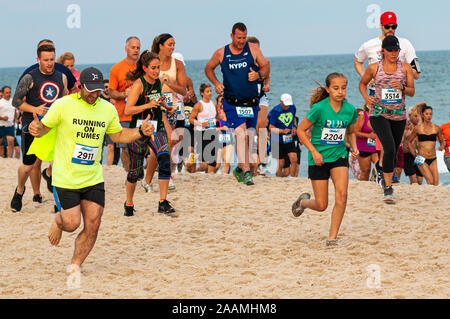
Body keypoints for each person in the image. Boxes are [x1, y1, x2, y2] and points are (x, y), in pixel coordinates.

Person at [27, 67, 155, 276]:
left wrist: (140, 131)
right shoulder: (63, 105)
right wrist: (36, 129)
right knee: (71, 223)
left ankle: (76, 264)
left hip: (93, 177)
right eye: (90, 90)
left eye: (98, 90)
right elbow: (44, 129)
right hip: (66, 177)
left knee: (93, 224)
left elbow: (118, 135)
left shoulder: (107, 109)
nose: (94, 94)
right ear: (80, 87)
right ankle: (58, 221)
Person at [292, 73, 358, 247]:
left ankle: (332, 238)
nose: (340, 92)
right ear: (328, 89)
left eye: (343, 88)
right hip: (319, 158)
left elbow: (350, 131)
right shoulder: (319, 108)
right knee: (322, 205)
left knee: (342, 195)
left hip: (339, 156)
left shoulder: (350, 110)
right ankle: (303, 202)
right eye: (336, 88)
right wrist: (314, 152)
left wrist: (355, 147)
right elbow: (301, 131)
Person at [205, 22, 270, 185]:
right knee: (240, 135)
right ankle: (246, 172)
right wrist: (216, 83)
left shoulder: (253, 49)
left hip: (251, 103)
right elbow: (208, 68)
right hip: (232, 102)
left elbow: (266, 65)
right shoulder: (221, 53)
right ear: (232, 36)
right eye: (239, 38)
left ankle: (241, 169)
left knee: (248, 136)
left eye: (244, 38)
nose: (241, 41)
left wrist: (259, 75)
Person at [10, 44, 68, 212]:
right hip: (32, 125)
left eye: (52, 59)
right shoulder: (30, 77)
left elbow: (64, 99)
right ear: (38, 60)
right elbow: (16, 101)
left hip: (53, 126)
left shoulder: (61, 77)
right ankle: (20, 190)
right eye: (46, 60)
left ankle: (58, 202)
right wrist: (35, 109)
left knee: (58, 164)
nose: (50, 63)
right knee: (28, 166)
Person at [359, 35, 415, 203]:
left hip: (398, 115)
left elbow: (412, 91)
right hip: (378, 113)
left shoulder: (405, 67)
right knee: (389, 147)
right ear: (383, 50)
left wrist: (403, 88)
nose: (393, 53)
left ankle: (382, 173)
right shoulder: (374, 68)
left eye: (396, 50)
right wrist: (366, 98)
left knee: (394, 149)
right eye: (390, 50)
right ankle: (388, 188)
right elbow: (362, 84)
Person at [123, 51, 176, 216]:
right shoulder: (138, 85)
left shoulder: (159, 83)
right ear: (145, 68)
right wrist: (147, 105)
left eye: (158, 67)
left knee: (165, 159)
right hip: (138, 129)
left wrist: (168, 108)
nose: (156, 71)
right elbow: (128, 109)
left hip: (156, 127)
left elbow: (159, 102)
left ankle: (163, 202)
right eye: (153, 68)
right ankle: (129, 203)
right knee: (134, 171)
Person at [151, 35, 187, 189]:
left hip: (173, 106)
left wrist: (169, 83)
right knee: (168, 139)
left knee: (173, 140)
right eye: (169, 44)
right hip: (156, 106)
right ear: (160, 46)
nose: (172, 47)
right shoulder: (152, 62)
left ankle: (160, 170)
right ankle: (166, 174)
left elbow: (183, 90)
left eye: (174, 44)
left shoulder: (177, 64)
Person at [109, 36, 141, 173]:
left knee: (141, 148)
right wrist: (124, 94)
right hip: (123, 115)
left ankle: (139, 173)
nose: (136, 50)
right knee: (126, 148)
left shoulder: (144, 68)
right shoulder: (117, 68)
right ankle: (130, 176)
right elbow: (111, 92)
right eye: (133, 47)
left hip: (141, 113)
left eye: (138, 48)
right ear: (126, 49)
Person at [407, 104, 445, 185]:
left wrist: (441, 146)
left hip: (433, 158)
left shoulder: (436, 128)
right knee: (430, 181)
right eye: (427, 114)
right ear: (422, 115)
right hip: (421, 158)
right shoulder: (418, 128)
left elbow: (442, 141)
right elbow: (409, 141)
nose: (429, 116)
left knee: (435, 183)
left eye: (430, 114)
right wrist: (413, 153)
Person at [247, 36, 271, 170]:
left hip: (261, 97)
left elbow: (267, 76)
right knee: (249, 131)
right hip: (246, 99)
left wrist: (267, 84)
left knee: (261, 126)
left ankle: (262, 157)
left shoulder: (265, 62)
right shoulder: (243, 62)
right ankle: (252, 161)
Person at [189, 83, 218, 173]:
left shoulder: (214, 104)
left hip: (212, 133)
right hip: (202, 133)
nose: (210, 93)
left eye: (210, 91)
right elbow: (191, 119)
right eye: (207, 91)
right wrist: (201, 124)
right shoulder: (198, 105)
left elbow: (216, 117)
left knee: (213, 162)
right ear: (202, 93)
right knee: (204, 165)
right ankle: (193, 172)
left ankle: (209, 180)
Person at [269, 93, 298, 177]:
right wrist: (282, 131)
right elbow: (271, 127)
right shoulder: (275, 111)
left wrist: (294, 127)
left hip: (288, 138)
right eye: (285, 105)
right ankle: (278, 179)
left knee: (294, 159)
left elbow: (294, 119)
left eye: (288, 105)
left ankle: (293, 179)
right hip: (276, 139)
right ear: (281, 102)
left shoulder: (292, 107)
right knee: (280, 163)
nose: (287, 107)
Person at [355, 104, 379, 181]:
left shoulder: (379, 115)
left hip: (376, 146)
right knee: (366, 170)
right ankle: (363, 186)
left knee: (378, 167)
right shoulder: (363, 115)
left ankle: (376, 182)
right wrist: (369, 135)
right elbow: (356, 132)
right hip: (363, 146)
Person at [402, 105, 423, 184]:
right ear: (410, 116)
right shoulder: (406, 126)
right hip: (408, 155)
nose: (417, 118)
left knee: (420, 180)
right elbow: (401, 140)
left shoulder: (421, 127)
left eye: (418, 116)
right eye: (415, 116)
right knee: (414, 179)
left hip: (419, 155)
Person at [100, 79, 119, 166]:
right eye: (105, 87)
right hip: (100, 125)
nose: (107, 88)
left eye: (108, 87)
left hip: (111, 125)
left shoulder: (114, 99)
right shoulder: (99, 98)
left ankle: (109, 167)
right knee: (100, 148)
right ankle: (99, 164)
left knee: (111, 147)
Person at [215, 94, 234, 174]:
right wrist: (222, 128)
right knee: (217, 165)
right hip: (218, 140)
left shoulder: (229, 112)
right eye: (220, 101)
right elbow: (212, 128)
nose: (222, 103)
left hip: (229, 139)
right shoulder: (216, 113)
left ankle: (224, 178)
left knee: (226, 162)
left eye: (224, 101)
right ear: (218, 103)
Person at [0, 86, 16, 158]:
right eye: (7, 93)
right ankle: (1, 157)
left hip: (10, 126)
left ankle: (10, 158)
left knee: (11, 141)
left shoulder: (13, 102)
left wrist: (15, 119)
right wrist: (2, 118)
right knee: (0, 144)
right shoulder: (0, 102)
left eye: (9, 92)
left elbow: (15, 112)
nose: (8, 94)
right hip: (1, 125)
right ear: (3, 93)